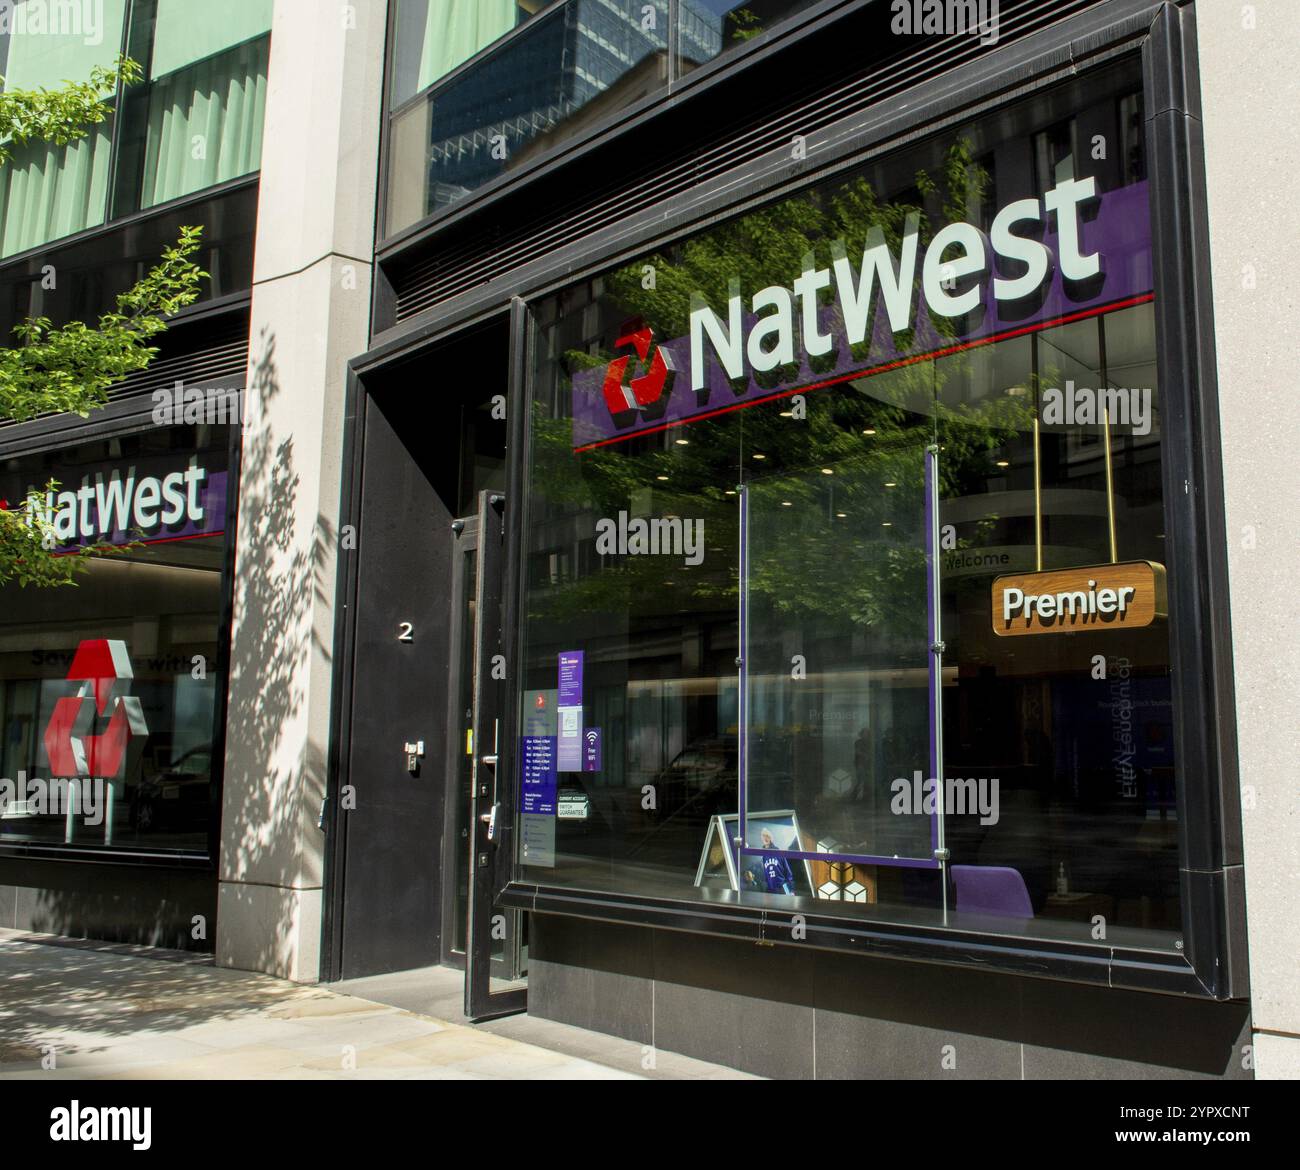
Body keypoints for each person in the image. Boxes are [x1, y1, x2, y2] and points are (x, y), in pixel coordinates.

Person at [757, 826, 795, 894]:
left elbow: (788, 872)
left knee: (787, 903)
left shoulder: (778, 852)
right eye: (763, 836)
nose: (765, 838)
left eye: (767, 836)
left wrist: (790, 890)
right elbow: (766, 876)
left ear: (771, 838)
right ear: (761, 839)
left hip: (782, 888)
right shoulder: (764, 856)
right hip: (771, 890)